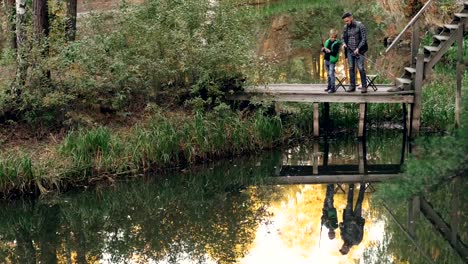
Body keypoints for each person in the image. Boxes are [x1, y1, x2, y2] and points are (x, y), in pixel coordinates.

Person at [342, 12, 368, 93]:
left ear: (351, 18)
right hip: (349, 51)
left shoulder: (360, 25)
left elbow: (364, 39)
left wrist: (358, 48)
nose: (346, 23)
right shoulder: (345, 27)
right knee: (351, 68)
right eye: (345, 21)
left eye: (347, 21)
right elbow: (342, 37)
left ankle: (364, 86)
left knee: (360, 68)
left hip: (359, 51)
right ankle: (352, 86)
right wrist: (343, 43)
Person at [339, 183, 366, 255]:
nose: (344, 247)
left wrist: (340, 225)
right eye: (345, 249)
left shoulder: (342, 236)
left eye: (342, 247)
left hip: (348, 217)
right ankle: (363, 185)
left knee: (349, 202)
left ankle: (351, 185)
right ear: (348, 250)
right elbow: (361, 231)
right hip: (357, 218)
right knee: (359, 202)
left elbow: (341, 226)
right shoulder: (357, 241)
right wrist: (356, 224)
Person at [321, 29, 342, 94]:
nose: (332, 38)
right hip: (326, 59)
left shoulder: (336, 44)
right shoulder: (328, 41)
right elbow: (325, 50)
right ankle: (329, 86)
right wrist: (323, 50)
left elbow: (334, 53)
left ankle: (333, 88)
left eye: (334, 37)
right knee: (328, 74)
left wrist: (329, 51)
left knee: (331, 74)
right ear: (330, 36)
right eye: (331, 37)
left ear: (336, 37)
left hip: (331, 61)